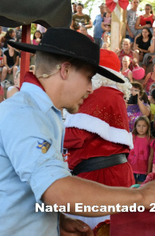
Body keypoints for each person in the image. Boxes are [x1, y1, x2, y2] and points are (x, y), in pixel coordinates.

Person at [0, 28, 155, 235]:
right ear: (65, 70)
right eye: (88, 78)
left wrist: (57, 222)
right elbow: (57, 190)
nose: (90, 88)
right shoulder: (26, 114)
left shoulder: (44, 112)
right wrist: (142, 197)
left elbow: (20, 190)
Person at [63, 49, 133, 229]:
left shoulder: (101, 94)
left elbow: (74, 136)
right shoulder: (113, 94)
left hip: (100, 177)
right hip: (109, 174)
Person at [128, 116, 152, 183]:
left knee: (140, 188)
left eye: (144, 126)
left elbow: (151, 156)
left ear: (148, 127)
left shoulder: (150, 139)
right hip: (131, 168)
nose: (141, 128)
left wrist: (149, 170)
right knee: (131, 188)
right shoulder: (131, 137)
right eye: (139, 126)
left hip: (143, 170)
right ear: (135, 126)